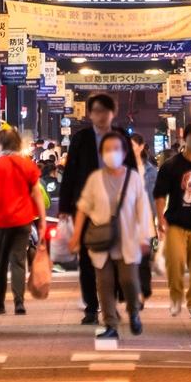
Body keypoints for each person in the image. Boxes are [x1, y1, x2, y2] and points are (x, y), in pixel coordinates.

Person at [71, 129, 153, 339]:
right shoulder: (95, 179)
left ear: (124, 153)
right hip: (101, 241)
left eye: (116, 149)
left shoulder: (133, 178)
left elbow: (143, 209)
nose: (112, 153)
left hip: (128, 239)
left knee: (129, 282)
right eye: (107, 149)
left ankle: (134, 313)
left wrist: (146, 237)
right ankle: (111, 325)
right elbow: (83, 207)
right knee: (104, 285)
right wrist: (76, 235)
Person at [59, 94, 119, 324]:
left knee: (114, 257)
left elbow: (132, 170)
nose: (101, 115)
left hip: (116, 206)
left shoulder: (120, 137)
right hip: (85, 206)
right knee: (86, 259)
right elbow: (70, 173)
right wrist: (64, 206)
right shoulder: (81, 139)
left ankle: (110, 304)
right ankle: (91, 307)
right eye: (96, 111)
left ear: (113, 113)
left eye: (105, 111)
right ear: (89, 113)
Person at [0, 126, 44, 315]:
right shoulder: (28, 165)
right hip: (23, 220)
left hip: (1, 220)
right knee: (19, 262)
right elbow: (37, 193)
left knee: (0, 262)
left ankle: (0, 303)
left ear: (1, 143)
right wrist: (42, 220)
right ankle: (19, 303)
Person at [153, 122, 191, 320]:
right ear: (185, 139)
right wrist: (160, 218)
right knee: (175, 263)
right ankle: (176, 297)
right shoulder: (171, 165)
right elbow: (160, 195)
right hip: (176, 223)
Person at [131, 133, 159, 301]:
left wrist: (156, 219)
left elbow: (155, 197)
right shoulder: (123, 169)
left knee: (143, 260)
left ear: (141, 147)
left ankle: (143, 290)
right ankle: (135, 293)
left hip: (145, 220)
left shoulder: (151, 170)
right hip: (127, 220)